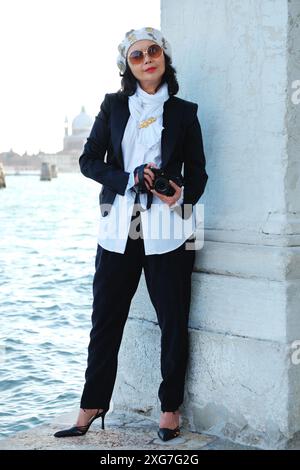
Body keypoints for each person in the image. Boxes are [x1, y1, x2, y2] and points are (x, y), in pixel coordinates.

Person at [54, 26, 208, 442]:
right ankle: (91, 404)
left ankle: (169, 409)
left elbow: (199, 173)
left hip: (170, 230)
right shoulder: (113, 106)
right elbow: (89, 161)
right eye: (136, 56)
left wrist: (180, 193)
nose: (146, 60)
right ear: (128, 65)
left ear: (164, 56)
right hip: (118, 227)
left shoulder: (185, 112)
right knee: (105, 321)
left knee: (172, 321)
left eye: (153, 51)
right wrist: (128, 178)